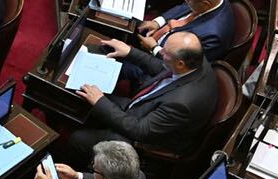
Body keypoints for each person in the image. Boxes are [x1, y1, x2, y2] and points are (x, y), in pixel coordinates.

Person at [63, 31, 216, 166]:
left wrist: (100, 102)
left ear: (180, 64)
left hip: (144, 137)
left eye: (165, 52)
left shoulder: (181, 104)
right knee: (85, 97)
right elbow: (162, 67)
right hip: (145, 107)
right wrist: (129, 51)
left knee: (77, 139)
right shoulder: (195, 60)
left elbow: (139, 131)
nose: (160, 51)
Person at [130, 0, 233, 67]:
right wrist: (158, 22)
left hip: (163, 63)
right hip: (160, 34)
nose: (185, 1)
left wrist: (154, 49)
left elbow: (184, 66)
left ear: (205, 4)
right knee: (129, 21)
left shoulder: (213, 37)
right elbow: (184, 6)